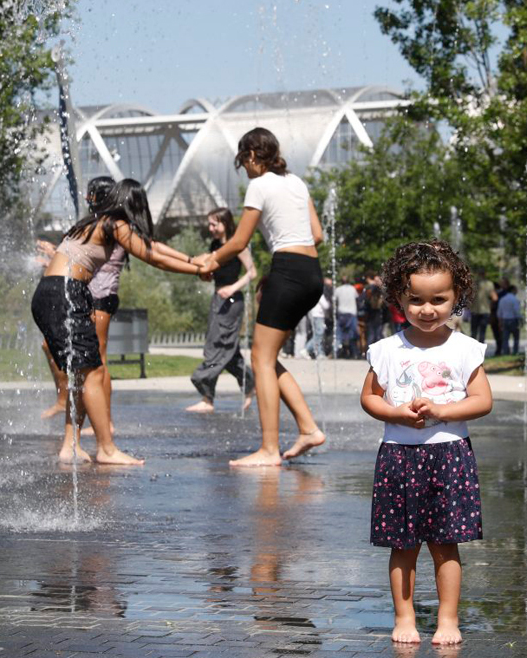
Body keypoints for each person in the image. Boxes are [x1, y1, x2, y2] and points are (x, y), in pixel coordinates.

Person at [361, 240, 492, 646]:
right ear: (400, 297)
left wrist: (440, 410)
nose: (427, 309)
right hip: (399, 456)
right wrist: (397, 413)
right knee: (402, 544)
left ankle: (448, 619)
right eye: (416, 300)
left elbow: (482, 400)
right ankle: (404, 616)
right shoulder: (385, 350)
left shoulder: (465, 348)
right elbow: (368, 397)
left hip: (449, 454)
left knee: (444, 543)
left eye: (439, 299)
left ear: (457, 297)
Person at [32, 178, 203, 465]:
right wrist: (197, 269)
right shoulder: (114, 223)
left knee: (81, 374)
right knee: (93, 373)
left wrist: (195, 262)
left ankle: (70, 445)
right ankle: (107, 449)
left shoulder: (92, 222)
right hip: (66, 293)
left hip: (50, 293)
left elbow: (153, 248)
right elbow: (153, 256)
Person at [196, 127, 327, 467]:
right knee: (266, 359)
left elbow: (239, 242)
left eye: (244, 162)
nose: (246, 169)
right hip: (311, 273)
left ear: (252, 155)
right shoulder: (297, 182)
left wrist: (210, 260)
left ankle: (269, 450)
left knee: (260, 359)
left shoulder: (260, 184)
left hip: (288, 271)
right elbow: (317, 235)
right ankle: (309, 429)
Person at [187, 207, 256, 414]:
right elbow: (213, 269)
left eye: (214, 224)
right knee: (228, 350)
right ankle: (250, 385)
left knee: (219, 345)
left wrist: (233, 288)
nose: (211, 228)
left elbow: (252, 272)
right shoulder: (215, 245)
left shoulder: (238, 244)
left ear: (225, 224)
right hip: (217, 299)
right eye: (209, 224)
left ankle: (206, 394)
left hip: (232, 301)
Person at [334, 277, 359, 358]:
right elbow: (357, 299)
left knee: (340, 334)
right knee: (352, 334)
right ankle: (353, 353)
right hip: (351, 313)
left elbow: (334, 301)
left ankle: (337, 352)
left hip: (342, 313)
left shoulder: (338, 289)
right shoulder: (353, 289)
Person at [496, 279, 521, 355]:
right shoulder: (514, 299)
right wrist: (520, 319)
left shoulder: (502, 299)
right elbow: (516, 311)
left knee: (505, 338)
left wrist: (500, 322)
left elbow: (499, 312)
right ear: (513, 290)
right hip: (513, 320)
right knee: (516, 338)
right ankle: (515, 351)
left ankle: (506, 352)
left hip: (504, 320)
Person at [468, 270, 493, 345]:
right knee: (482, 332)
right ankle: (480, 350)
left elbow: (468, 296)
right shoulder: (489, 284)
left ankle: (472, 349)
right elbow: (494, 297)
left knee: (474, 332)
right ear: (485, 274)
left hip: (474, 310)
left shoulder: (473, 284)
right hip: (485, 310)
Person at [363, 272, 386, 349]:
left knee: (375, 335)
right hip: (375, 316)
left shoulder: (373, 289)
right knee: (375, 335)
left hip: (378, 316)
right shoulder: (372, 289)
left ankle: (371, 351)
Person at [304, 293, 329, 359]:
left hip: (314, 315)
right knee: (319, 334)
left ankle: (319, 353)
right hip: (318, 315)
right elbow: (326, 305)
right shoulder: (320, 294)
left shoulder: (312, 293)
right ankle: (307, 349)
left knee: (317, 334)